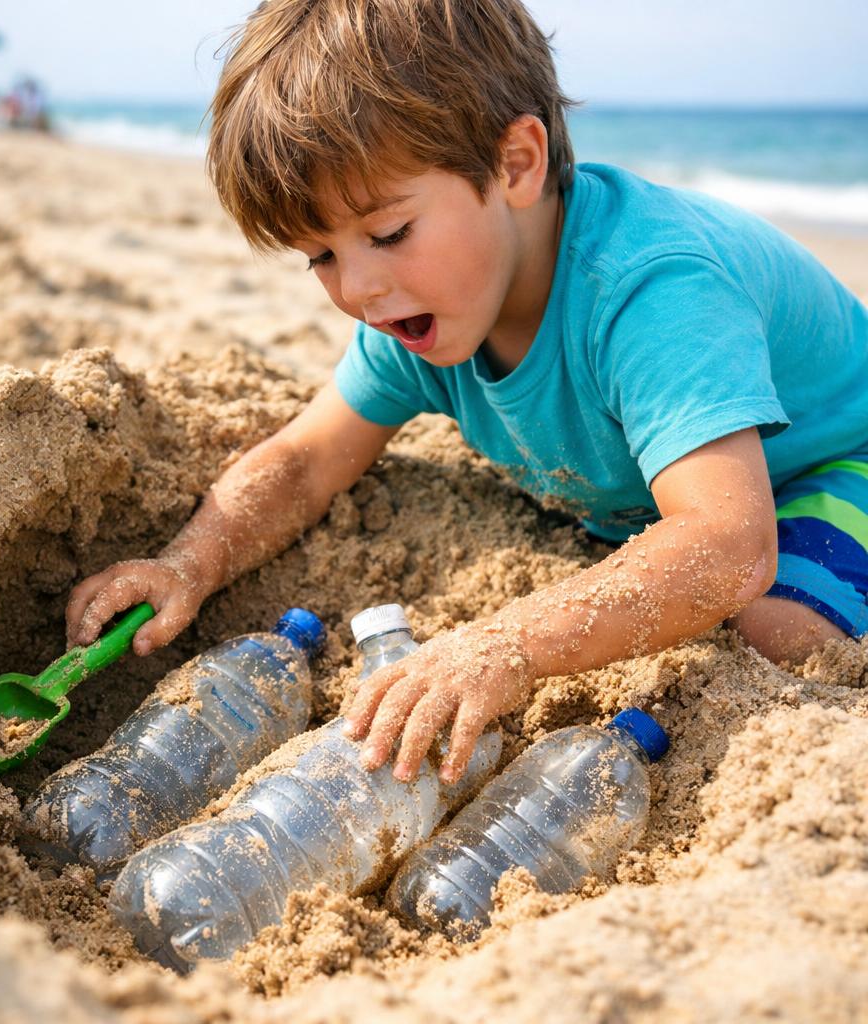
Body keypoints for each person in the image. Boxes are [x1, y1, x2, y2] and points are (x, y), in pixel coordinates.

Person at [66, 0, 868, 785]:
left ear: (516, 163)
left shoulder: (651, 292)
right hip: (674, 493)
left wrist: (509, 643)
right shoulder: (423, 311)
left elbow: (729, 547)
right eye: (321, 257)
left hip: (834, 460)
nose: (361, 289)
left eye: (387, 234)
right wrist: (189, 563)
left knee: (775, 626)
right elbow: (307, 461)